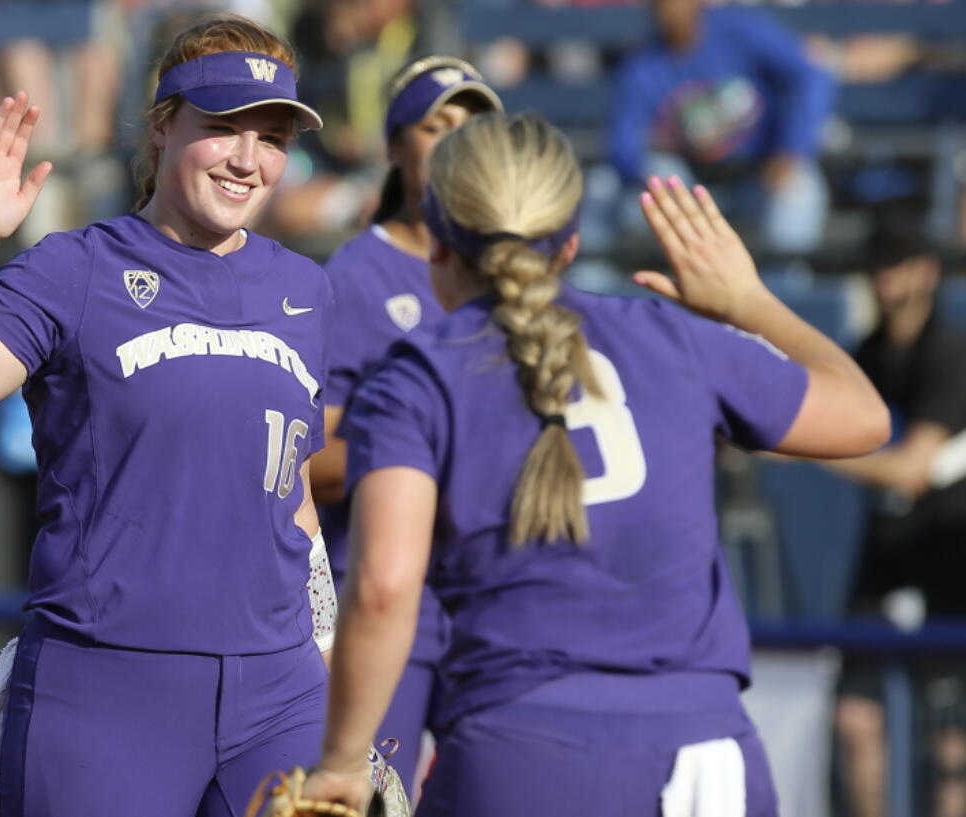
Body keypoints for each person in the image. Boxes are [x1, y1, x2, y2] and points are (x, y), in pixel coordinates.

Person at [300, 111, 890, 815]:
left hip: (527, 752)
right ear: (572, 242)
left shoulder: (418, 376)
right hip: (710, 757)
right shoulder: (672, 337)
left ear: (435, 240)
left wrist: (340, 761)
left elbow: (383, 587)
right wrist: (750, 301)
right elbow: (865, 416)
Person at [0, 15, 339, 816]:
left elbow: (286, 481)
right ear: (161, 130)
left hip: (279, 689)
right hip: (111, 681)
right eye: (222, 128)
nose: (248, 159)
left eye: (271, 136)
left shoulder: (308, 289)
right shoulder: (78, 268)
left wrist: (326, 646)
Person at [309, 54, 501, 795]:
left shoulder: (522, 274)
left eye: (476, 125)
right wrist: (423, 458)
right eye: (435, 124)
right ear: (394, 145)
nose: (457, 141)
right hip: (392, 599)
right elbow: (307, 457)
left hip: (496, 601)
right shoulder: (358, 275)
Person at [826, 222, 966, 817]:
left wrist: (803, 447)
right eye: (877, 266)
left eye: (897, 265)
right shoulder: (868, 354)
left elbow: (914, 470)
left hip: (949, 557)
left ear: (927, 272)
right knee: (856, 719)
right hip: (884, 555)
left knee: (951, 739)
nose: (885, 280)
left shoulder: (951, 354)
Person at [605, 0, 835, 255]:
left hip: (756, 175)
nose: (671, 9)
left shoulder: (740, 30)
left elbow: (810, 77)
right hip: (688, 187)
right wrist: (645, 168)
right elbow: (623, 146)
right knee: (602, 190)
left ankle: (785, 288)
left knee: (799, 188)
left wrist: (791, 149)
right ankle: (594, 287)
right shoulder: (643, 64)